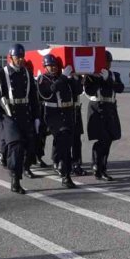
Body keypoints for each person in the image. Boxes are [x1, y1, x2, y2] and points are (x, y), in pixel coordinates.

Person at [0, 44, 40, 195]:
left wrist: (36, 116)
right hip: (9, 115)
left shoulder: (27, 73)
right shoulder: (1, 73)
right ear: (10, 58)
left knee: (28, 146)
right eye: (18, 58)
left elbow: (33, 97)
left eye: (22, 57)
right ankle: (15, 180)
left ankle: (16, 165)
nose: (20, 60)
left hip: (25, 114)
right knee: (16, 146)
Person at [37, 54, 78, 188]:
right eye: (50, 66)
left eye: (55, 65)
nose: (53, 68)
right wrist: (64, 77)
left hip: (68, 113)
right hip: (53, 115)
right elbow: (49, 92)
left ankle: (58, 162)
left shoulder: (64, 77)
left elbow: (78, 91)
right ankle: (66, 176)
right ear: (45, 66)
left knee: (66, 143)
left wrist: (75, 78)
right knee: (64, 143)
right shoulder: (43, 79)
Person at [83, 50, 124, 181]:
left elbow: (120, 88)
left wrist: (108, 79)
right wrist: (99, 78)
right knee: (102, 139)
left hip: (111, 108)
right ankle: (97, 165)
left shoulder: (114, 75)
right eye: (105, 61)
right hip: (98, 108)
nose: (107, 64)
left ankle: (102, 167)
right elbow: (89, 90)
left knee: (109, 139)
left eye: (109, 62)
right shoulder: (92, 75)